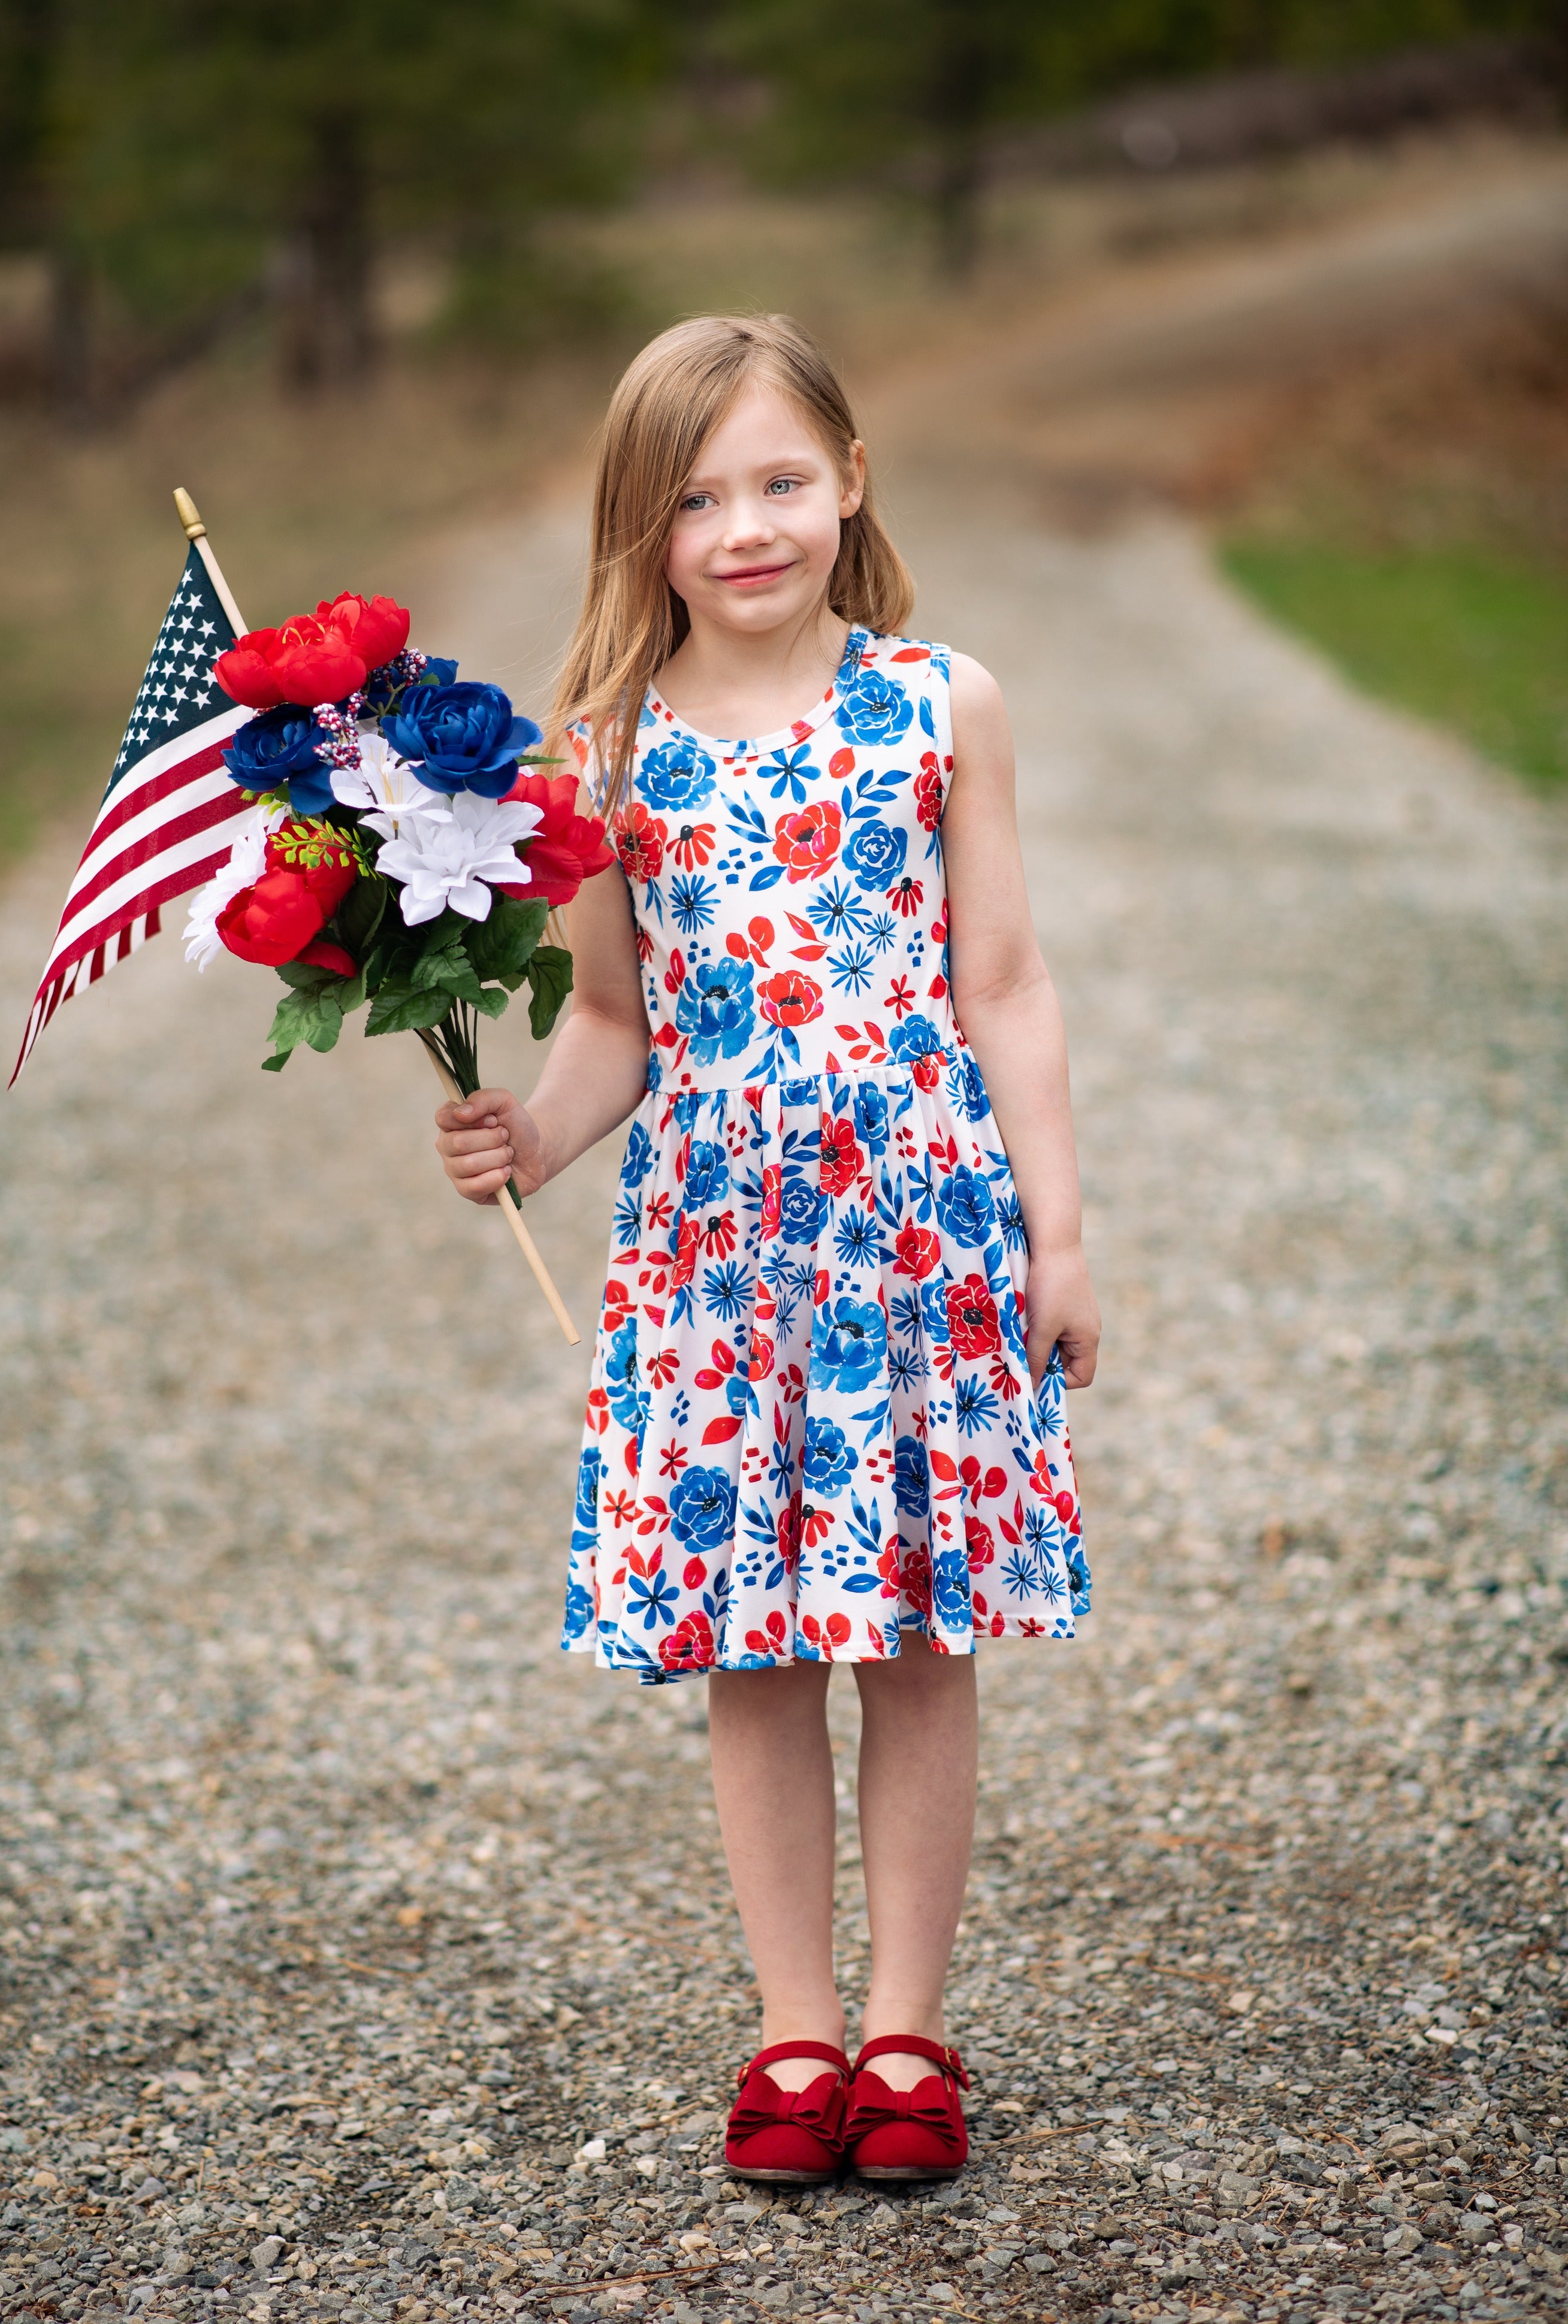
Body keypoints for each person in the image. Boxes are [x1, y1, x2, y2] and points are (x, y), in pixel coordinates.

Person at [433, 314, 1100, 2186]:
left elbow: (1008, 980)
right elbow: (613, 1031)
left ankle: (908, 2032)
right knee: (752, 1650)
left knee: (916, 1642)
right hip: (718, 1261)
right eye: (698, 498)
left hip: (923, 1243)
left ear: (853, 483)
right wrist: (532, 1143)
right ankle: (795, 2034)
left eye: (783, 482)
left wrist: (1062, 1232)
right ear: (642, 528)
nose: (747, 528)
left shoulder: (938, 702)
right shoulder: (609, 752)